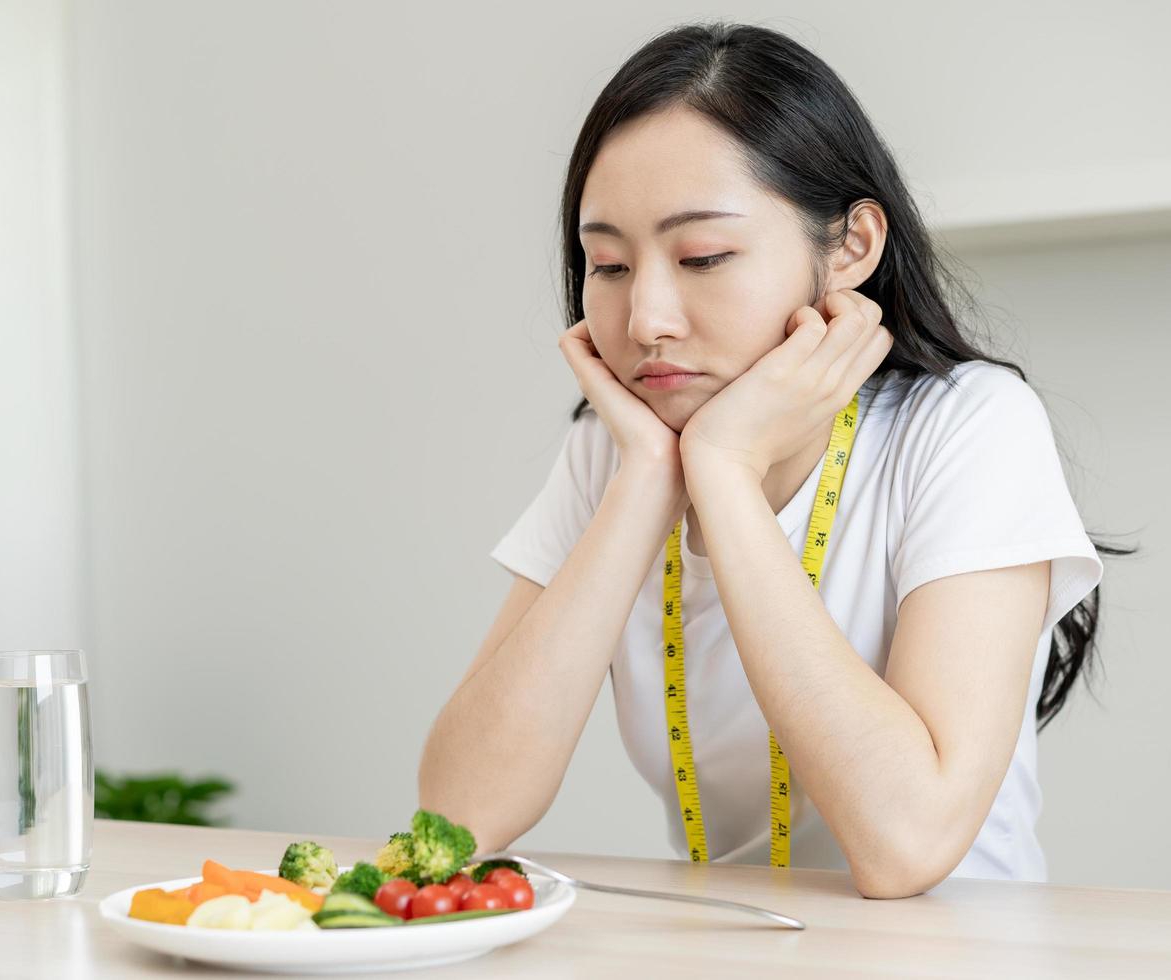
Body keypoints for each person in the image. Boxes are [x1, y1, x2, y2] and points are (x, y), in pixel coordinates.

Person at [419, 21, 1131, 899]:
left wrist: (722, 473)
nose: (646, 319)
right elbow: (457, 815)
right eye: (606, 263)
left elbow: (906, 844)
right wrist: (648, 480)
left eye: (704, 257)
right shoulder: (613, 455)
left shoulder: (969, 429)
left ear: (852, 248)